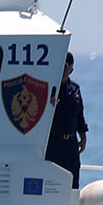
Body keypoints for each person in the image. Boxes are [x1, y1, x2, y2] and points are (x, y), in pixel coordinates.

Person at [44, 52, 88, 187]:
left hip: (70, 144)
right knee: (51, 182)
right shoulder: (50, 89)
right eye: (61, 65)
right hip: (53, 143)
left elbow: (79, 116)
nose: (63, 69)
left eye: (66, 66)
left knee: (73, 182)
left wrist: (83, 137)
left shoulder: (75, 89)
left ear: (71, 70)